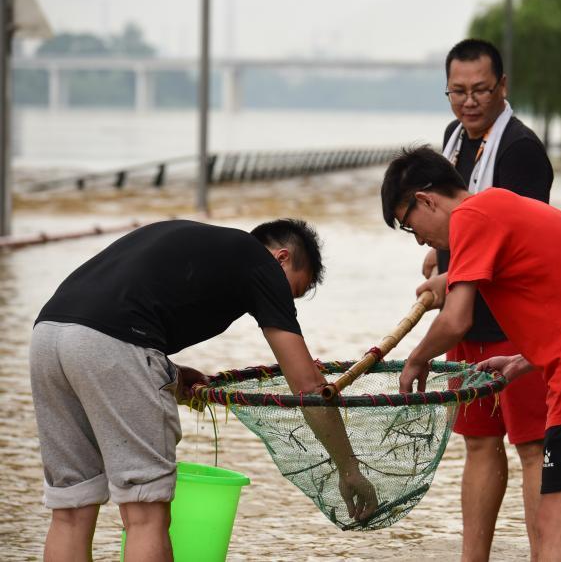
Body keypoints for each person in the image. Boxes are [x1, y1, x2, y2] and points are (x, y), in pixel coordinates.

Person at [30, 218, 377, 561]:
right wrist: (349, 469)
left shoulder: (201, 244)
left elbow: (112, 317)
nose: (285, 306)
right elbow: (309, 388)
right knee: (144, 514)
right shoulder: (261, 264)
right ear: (281, 258)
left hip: (48, 337)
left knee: (71, 511)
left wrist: (171, 374)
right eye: (290, 293)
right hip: (113, 343)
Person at [381, 148, 561, 561]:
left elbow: (457, 319)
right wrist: (524, 360)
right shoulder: (503, 208)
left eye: (412, 227)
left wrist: (417, 358)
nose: (422, 240)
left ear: (425, 200)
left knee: (555, 521)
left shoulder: (471, 216)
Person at [418, 38, 553, 562]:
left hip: (516, 321)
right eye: (457, 91)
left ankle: (549, 553)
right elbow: (455, 222)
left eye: (480, 90)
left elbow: (519, 243)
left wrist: (451, 282)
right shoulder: (453, 138)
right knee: (477, 442)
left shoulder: (521, 150)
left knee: (532, 447)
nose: (468, 102)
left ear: (503, 87)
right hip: (466, 320)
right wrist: (440, 257)